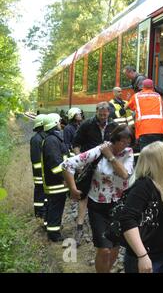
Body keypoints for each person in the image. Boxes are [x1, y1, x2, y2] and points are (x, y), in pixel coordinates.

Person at [62, 125, 134, 273]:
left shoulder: (128, 153)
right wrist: (73, 188)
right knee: (104, 250)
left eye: (129, 142)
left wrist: (111, 157)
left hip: (118, 205)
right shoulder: (99, 150)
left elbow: (125, 174)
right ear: (114, 140)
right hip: (97, 206)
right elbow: (67, 164)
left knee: (115, 247)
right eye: (123, 142)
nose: (126, 145)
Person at [119, 141, 163, 273]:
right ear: (159, 161)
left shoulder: (159, 183)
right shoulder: (143, 186)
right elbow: (127, 220)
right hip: (149, 259)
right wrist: (142, 256)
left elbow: (160, 220)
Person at [71, 102, 119, 245]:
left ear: (109, 113)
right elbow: (76, 144)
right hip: (89, 167)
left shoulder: (114, 125)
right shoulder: (87, 125)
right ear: (96, 112)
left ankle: (108, 226)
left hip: (108, 167)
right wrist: (80, 162)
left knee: (110, 193)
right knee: (83, 196)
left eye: (105, 114)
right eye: (100, 114)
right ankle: (79, 228)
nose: (103, 117)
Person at [41, 113, 70, 242]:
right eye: (58, 122)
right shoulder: (52, 141)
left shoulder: (53, 139)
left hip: (56, 182)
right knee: (56, 207)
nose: (60, 124)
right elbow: (55, 164)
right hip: (56, 183)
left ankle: (51, 227)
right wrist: (64, 177)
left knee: (54, 206)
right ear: (54, 124)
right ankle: (54, 234)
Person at [126, 79, 163, 151]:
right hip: (159, 129)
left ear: (142, 87)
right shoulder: (158, 96)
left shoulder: (136, 96)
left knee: (146, 153)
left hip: (144, 129)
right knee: (157, 152)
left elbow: (129, 107)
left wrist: (128, 99)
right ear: (153, 87)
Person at [30, 114, 47, 224]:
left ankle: (42, 212)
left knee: (42, 193)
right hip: (39, 174)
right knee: (40, 192)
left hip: (43, 173)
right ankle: (39, 213)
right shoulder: (36, 139)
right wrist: (41, 173)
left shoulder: (42, 137)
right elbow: (36, 160)